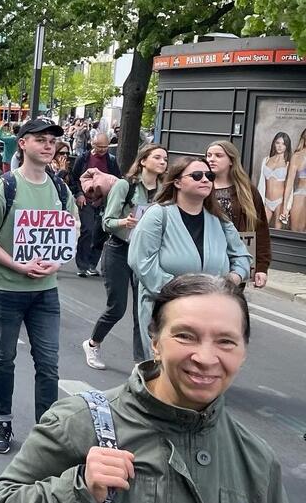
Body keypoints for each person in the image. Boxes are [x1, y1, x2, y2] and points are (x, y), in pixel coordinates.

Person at [0, 274, 290, 503]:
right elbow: (1, 496)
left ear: (243, 351)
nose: (205, 358)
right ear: (155, 342)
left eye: (226, 341)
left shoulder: (257, 460)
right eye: (185, 336)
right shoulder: (77, 421)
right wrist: (78, 487)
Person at [0, 118, 79, 454]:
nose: (48, 146)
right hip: (6, 289)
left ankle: (45, 431)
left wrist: (58, 260)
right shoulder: (4, 188)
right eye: (41, 140)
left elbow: (70, 228)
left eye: (52, 141)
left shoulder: (60, 188)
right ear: (23, 144)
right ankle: (4, 422)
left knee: (48, 363)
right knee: (4, 356)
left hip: (46, 290)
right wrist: (19, 265)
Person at [128, 156, 251, 358]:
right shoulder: (159, 214)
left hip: (211, 312)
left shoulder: (219, 219)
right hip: (167, 310)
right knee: (166, 373)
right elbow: (141, 261)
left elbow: (243, 257)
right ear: (177, 182)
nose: (205, 180)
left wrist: (231, 280)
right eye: (196, 175)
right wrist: (185, 292)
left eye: (209, 176)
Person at [82, 143, 167, 370]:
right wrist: (125, 222)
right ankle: (93, 343)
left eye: (165, 159)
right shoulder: (125, 186)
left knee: (144, 310)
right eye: (157, 157)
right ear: (143, 161)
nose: (162, 162)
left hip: (147, 254)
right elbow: (107, 222)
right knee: (117, 307)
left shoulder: (164, 190)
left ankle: (141, 362)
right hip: (119, 248)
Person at [206, 140, 271, 289]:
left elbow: (261, 230)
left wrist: (261, 267)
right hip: (207, 257)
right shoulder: (202, 186)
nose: (211, 159)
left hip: (236, 259)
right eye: (209, 155)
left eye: (218, 155)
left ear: (231, 160)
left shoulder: (247, 191)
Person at [69, 132, 121, 278]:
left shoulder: (111, 160)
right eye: (99, 147)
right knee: (88, 230)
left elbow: (117, 179)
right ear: (93, 144)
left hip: (104, 201)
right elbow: (74, 178)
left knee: (100, 233)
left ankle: (92, 264)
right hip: (86, 199)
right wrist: (78, 194)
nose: (102, 150)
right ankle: (82, 264)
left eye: (105, 147)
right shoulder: (83, 158)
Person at [259, 132, 291, 228]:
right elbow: (261, 183)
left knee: (278, 232)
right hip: (266, 201)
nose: (280, 146)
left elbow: (290, 187)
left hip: (280, 202)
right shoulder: (266, 160)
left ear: (287, 146)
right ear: (274, 143)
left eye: (283, 144)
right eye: (278, 143)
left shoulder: (288, 163)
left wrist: (286, 207)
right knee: (259, 229)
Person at [280, 127, 306, 232]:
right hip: (300, 194)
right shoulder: (297, 156)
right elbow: (289, 183)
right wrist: (285, 207)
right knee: (297, 231)